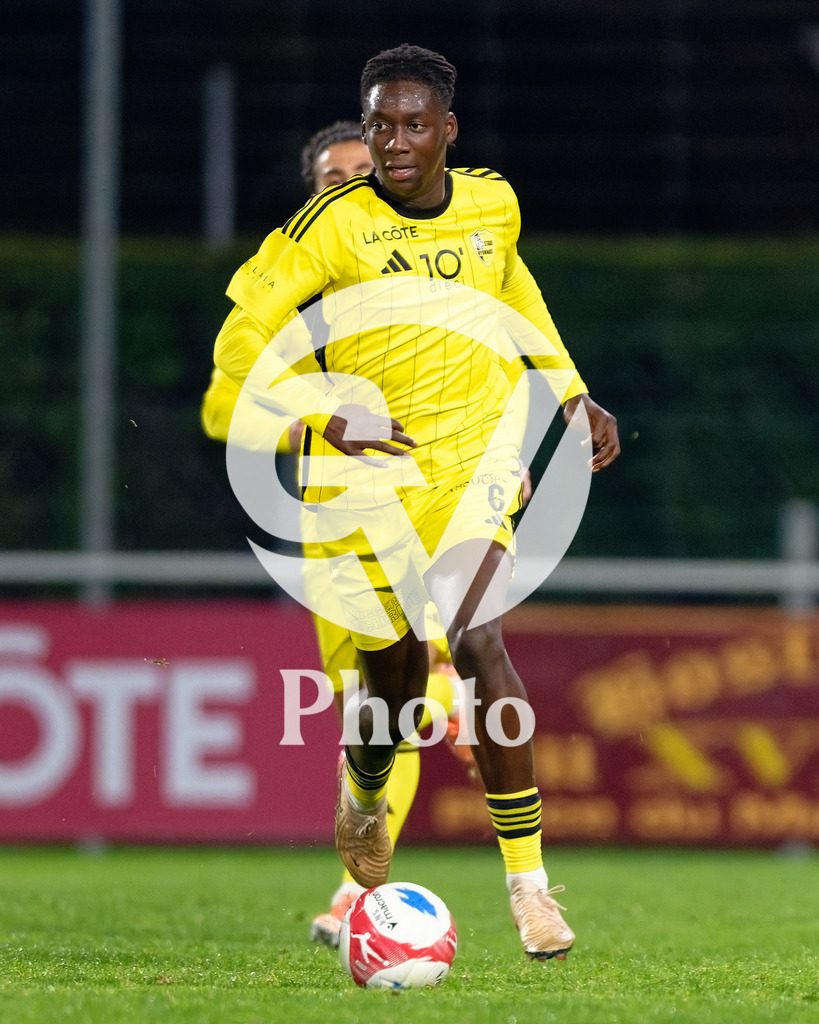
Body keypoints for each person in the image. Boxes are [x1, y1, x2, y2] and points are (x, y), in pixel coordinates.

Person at [211, 45, 620, 962]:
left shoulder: (492, 203)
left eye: (412, 124)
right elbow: (239, 347)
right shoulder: (329, 226)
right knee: (391, 686)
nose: (394, 143)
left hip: (474, 459)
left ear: (447, 131)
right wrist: (322, 413)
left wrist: (568, 390)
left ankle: (530, 890)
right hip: (368, 481)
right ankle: (363, 791)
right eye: (378, 125)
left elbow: (516, 289)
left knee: (478, 638)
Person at [202, 119, 473, 949]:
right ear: (314, 193)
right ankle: (365, 873)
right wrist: (316, 427)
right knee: (371, 710)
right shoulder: (288, 297)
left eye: (368, 169)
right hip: (338, 519)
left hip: (431, 506)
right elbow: (222, 408)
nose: (355, 182)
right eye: (335, 176)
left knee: (407, 691)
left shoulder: (432, 274)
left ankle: (355, 895)